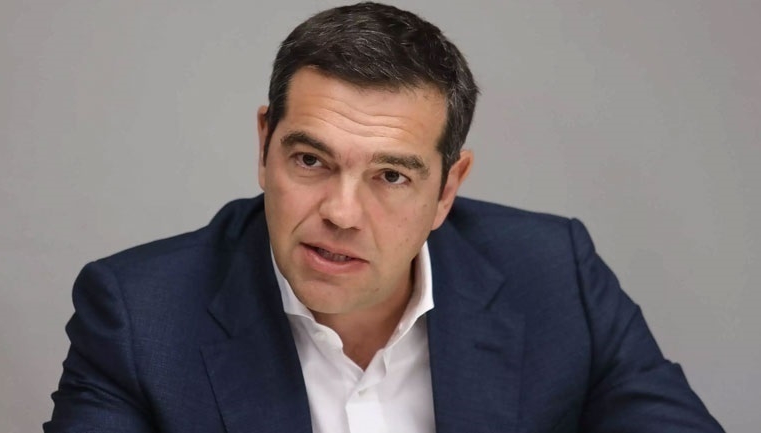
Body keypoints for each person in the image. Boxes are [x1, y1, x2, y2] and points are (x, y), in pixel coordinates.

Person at [45, 2, 724, 432]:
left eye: (391, 176)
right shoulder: (139, 315)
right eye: (310, 160)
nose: (341, 213)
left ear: (448, 188)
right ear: (264, 145)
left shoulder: (553, 274)